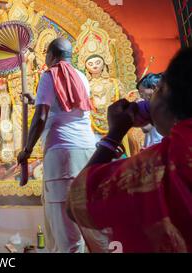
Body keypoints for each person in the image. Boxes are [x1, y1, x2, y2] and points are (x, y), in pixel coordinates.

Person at [67, 48, 192, 252]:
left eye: (158, 90)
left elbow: (79, 201)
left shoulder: (158, 165)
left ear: (170, 96)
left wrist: (114, 134)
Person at [17, 38, 109, 253]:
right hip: (87, 152)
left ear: (51, 55)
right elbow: (66, 105)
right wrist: (35, 99)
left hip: (62, 154)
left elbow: (41, 117)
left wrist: (26, 150)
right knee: (81, 217)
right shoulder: (81, 76)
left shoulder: (50, 75)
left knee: (65, 227)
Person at [137, 73, 164, 148]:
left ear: (153, 87)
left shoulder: (159, 104)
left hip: (159, 144)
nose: (141, 96)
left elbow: (146, 128)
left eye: (142, 93)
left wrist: (139, 109)